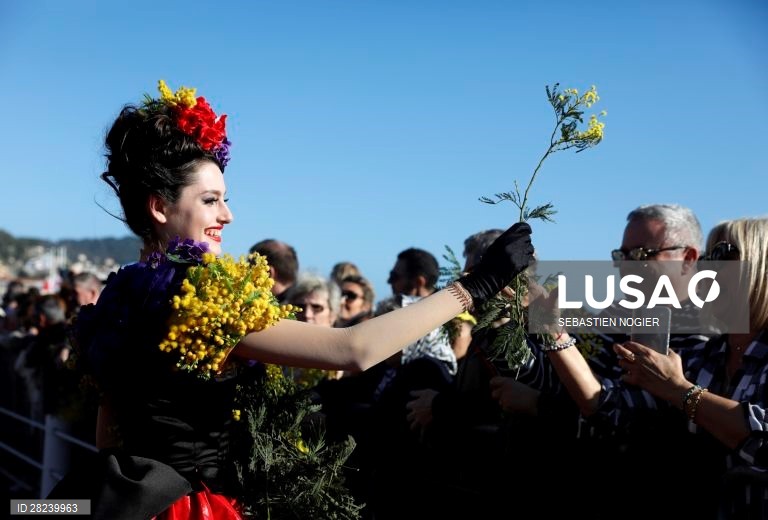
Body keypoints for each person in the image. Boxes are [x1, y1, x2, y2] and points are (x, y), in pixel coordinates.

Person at [48, 80, 535, 520]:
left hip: (123, 498)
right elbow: (352, 349)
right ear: (159, 207)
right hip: (185, 507)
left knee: (32, 509)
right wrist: (475, 285)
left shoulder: (120, 292)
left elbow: (107, 428)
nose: (229, 214)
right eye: (211, 200)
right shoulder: (202, 294)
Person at [541, 216, 767, 517]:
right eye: (709, 256)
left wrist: (681, 391)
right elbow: (611, 409)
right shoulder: (707, 356)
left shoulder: (693, 347)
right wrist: (555, 334)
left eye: (724, 255)